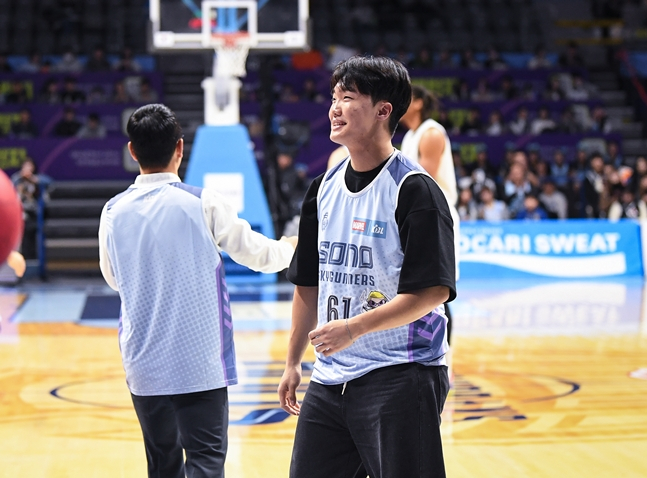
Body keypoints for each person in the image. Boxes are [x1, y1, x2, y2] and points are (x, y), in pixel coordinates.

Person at [279, 56, 455, 478]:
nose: (335, 108)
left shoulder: (415, 189)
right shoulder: (322, 188)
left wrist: (353, 328)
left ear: (382, 110)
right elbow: (308, 283)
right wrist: (292, 361)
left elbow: (432, 291)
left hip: (402, 372)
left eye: (348, 98)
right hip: (331, 376)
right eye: (334, 98)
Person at [98, 103, 296, 478]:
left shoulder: (112, 211)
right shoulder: (202, 202)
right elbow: (258, 255)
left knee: (162, 463)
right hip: (200, 361)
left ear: (132, 151)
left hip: (143, 360)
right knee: (206, 460)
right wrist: (289, 247)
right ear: (180, 147)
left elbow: (114, 278)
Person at [399, 83, 460, 366]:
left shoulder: (431, 134)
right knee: (417, 286)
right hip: (417, 215)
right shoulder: (411, 136)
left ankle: (444, 357)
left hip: (436, 214)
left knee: (438, 287)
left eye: (406, 98)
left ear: (419, 103)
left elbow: (425, 182)